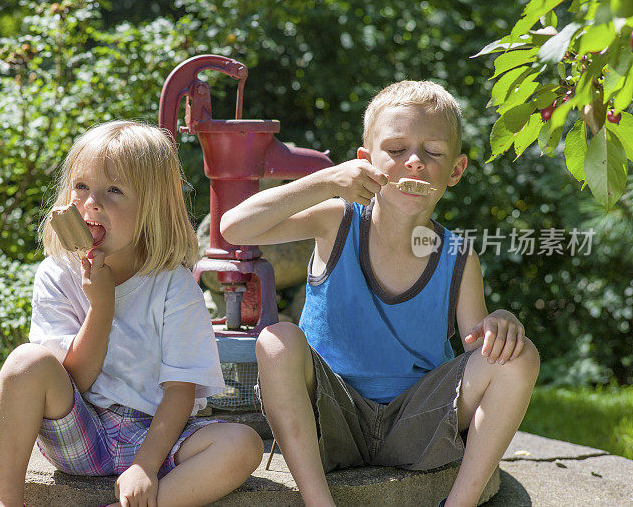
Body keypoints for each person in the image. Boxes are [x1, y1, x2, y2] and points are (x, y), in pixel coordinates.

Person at [220, 81, 540, 507]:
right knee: (276, 340)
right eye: (396, 149)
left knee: (518, 358)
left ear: (457, 170)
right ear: (364, 161)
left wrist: (502, 322)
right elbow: (234, 227)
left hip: (418, 424)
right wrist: (327, 182)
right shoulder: (337, 222)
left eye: (434, 152)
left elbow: (479, 348)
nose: (414, 162)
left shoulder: (458, 256)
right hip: (331, 417)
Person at [0, 121, 264, 507]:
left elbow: (180, 390)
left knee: (242, 444)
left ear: (151, 209)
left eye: (114, 190)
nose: (91, 203)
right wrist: (101, 307)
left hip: (154, 432)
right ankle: (6, 501)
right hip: (79, 427)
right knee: (25, 361)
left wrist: (145, 466)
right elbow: (76, 382)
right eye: (81, 187)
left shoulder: (173, 285)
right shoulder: (57, 273)